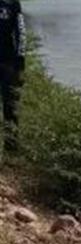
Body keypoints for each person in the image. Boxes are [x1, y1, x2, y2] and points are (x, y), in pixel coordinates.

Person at [0, 0, 24, 149]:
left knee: (10, 106)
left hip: (8, 63)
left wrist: (20, 61)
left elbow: (21, 32)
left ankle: (11, 146)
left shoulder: (12, 4)